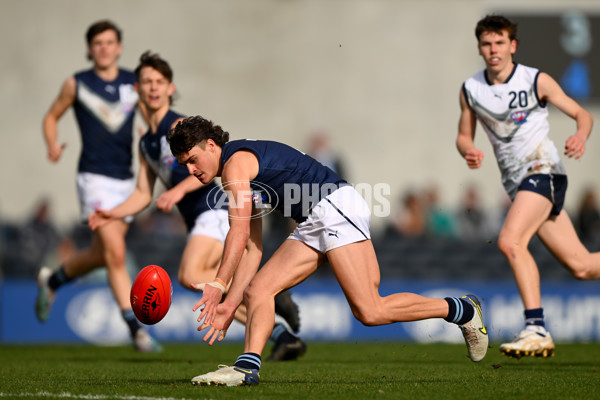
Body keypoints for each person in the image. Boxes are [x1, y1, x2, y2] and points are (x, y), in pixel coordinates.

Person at [165, 116, 488, 386]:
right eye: (184, 165)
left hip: (333, 207)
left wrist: (219, 284)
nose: (191, 170)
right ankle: (247, 369)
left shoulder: (235, 166)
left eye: (193, 159)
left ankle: (460, 309)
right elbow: (251, 246)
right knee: (259, 290)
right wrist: (230, 303)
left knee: (370, 311)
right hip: (314, 218)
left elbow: (237, 234)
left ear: (211, 145)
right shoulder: (238, 173)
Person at [89, 51, 305, 361]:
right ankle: (275, 319)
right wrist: (113, 211)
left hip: (213, 211)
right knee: (204, 278)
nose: (153, 87)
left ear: (170, 89)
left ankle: (265, 300)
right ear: (136, 89)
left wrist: (177, 191)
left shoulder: (178, 128)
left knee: (191, 275)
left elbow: (207, 169)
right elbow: (141, 194)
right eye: (146, 81)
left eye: (159, 82)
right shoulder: (146, 142)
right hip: (200, 220)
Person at [456, 15, 600, 359]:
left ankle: (536, 328)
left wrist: (580, 136)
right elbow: (463, 135)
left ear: (513, 46)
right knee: (582, 266)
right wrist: (469, 150)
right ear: (480, 47)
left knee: (509, 240)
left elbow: (583, 115)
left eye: (500, 43)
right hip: (519, 184)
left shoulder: (536, 80)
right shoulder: (471, 89)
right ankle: (537, 328)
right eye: (487, 44)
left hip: (544, 171)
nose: (494, 50)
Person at [37, 20, 160, 352]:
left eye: (109, 42)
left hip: (127, 181)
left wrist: (150, 135)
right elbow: (51, 117)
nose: (104, 48)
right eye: (98, 43)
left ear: (119, 47)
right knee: (116, 253)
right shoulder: (77, 84)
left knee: (101, 255)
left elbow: (152, 118)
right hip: (93, 179)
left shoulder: (133, 84)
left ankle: (53, 280)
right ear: (90, 49)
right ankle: (136, 329)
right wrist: (52, 143)